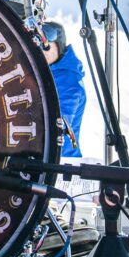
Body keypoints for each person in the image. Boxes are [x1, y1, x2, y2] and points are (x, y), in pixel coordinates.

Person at [41, 21, 86, 157]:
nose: (42, 51)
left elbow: (60, 124)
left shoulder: (68, 80)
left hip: (62, 161)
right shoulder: (47, 71)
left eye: (47, 47)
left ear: (59, 47)